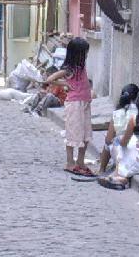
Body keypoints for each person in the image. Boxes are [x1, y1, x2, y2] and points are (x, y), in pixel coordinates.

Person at [45, 37, 95, 178]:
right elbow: (50, 79)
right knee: (73, 133)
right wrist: (65, 84)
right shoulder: (69, 69)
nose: (86, 55)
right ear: (77, 54)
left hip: (84, 103)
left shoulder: (81, 67)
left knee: (85, 133)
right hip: (74, 104)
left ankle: (80, 161)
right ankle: (69, 162)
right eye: (84, 53)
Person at [98, 83, 139, 174]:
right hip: (138, 151)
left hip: (122, 149)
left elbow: (109, 140)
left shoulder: (117, 113)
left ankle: (102, 169)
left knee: (107, 144)